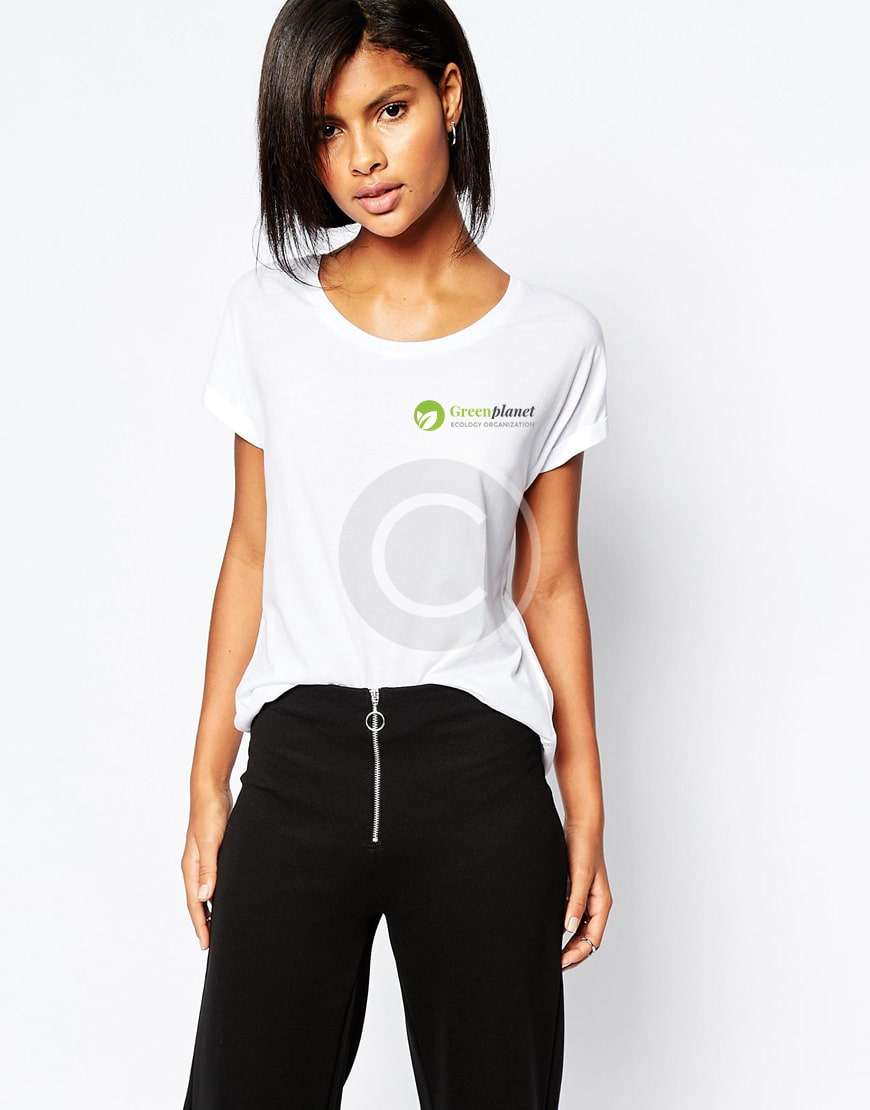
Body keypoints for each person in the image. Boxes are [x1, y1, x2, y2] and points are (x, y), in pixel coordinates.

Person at [180, 1, 613, 1106]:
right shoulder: (269, 315)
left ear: (449, 97)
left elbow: (551, 583)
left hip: (481, 776)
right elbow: (250, 550)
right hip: (299, 765)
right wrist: (207, 780)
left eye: (389, 110)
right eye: (327, 130)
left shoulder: (554, 339)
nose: (362, 160)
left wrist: (585, 800)